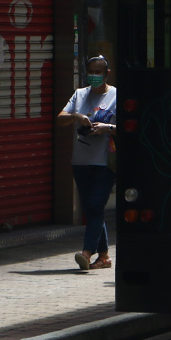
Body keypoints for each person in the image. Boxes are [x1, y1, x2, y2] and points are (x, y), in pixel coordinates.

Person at [59, 56, 118, 271]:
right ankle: (104, 257)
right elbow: (60, 118)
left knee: (95, 205)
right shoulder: (80, 94)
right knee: (92, 210)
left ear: (107, 73)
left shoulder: (116, 95)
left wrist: (106, 128)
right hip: (81, 162)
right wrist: (77, 117)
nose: (94, 76)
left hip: (104, 162)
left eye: (98, 72)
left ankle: (86, 252)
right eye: (91, 72)